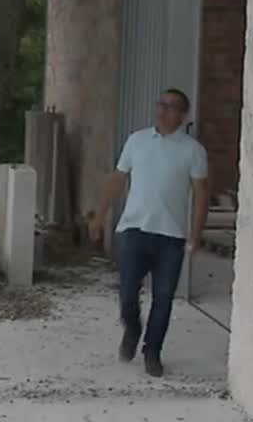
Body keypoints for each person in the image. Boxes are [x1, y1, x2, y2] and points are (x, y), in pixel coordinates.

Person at [88, 88, 209, 378]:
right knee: (128, 292)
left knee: (163, 297)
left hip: (172, 236)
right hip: (135, 230)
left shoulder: (193, 150)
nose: (164, 110)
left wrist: (195, 233)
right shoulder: (137, 141)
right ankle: (132, 329)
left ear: (183, 114)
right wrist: (100, 215)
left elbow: (201, 194)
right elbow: (118, 180)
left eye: (172, 106)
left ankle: (152, 351)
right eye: (161, 104)